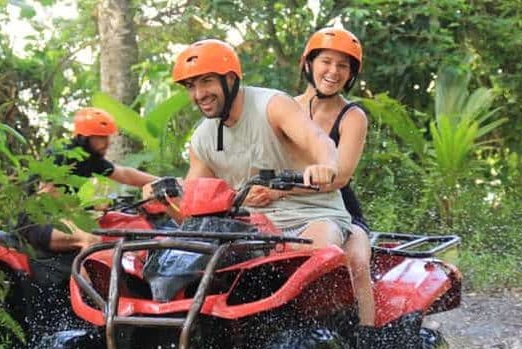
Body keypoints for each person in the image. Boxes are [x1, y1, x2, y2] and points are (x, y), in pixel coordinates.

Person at [172, 39, 349, 249]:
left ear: (230, 79)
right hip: (250, 228)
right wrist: (166, 199)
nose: (199, 94)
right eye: (191, 86)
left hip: (312, 216)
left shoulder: (272, 106)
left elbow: (318, 139)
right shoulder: (202, 139)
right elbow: (194, 205)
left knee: (319, 254)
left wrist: (326, 165)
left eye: (207, 81)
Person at [294, 26, 375, 328]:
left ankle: (368, 346)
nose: (333, 71)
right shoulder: (284, 108)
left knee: (357, 264)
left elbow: (340, 177)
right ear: (309, 63)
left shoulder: (352, 116)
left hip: (341, 211)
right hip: (284, 209)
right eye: (326, 61)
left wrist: (281, 191)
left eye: (343, 65)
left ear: (351, 74)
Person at [19, 107, 159, 252]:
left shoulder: (90, 159)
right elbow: (48, 191)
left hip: (60, 219)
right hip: (38, 222)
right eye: (101, 137)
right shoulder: (61, 154)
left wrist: (163, 180)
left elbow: (125, 174)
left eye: (107, 137)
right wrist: (82, 213)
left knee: (114, 228)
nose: (107, 142)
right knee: (91, 239)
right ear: (85, 137)